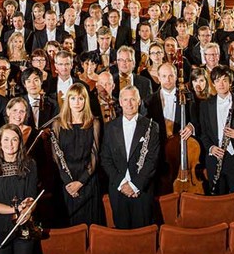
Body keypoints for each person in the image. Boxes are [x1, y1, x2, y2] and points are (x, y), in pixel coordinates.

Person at [101, 84, 160, 229]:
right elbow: (105, 158)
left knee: (143, 235)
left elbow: (152, 161)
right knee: (121, 237)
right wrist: (122, 184)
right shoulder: (110, 127)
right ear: (120, 102)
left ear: (139, 101)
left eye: (133, 99)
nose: (129, 104)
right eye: (125, 100)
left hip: (141, 190)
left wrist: (135, 185)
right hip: (118, 189)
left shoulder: (152, 126)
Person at [0, 124, 40, 254]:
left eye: (14, 140)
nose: (10, 144)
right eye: (6, 139)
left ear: (20, 142)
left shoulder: (30, 164)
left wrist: (28, 210)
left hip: (24, 225)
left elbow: (32, 198)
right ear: (0, 142)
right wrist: (15, 210)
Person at [50, 83, 103, 226]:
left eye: (81, 98)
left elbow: (95, 154)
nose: (77, 102)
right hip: (65, 182)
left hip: (88, 181)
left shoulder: (94, 123)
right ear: (68, 101)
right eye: (73, 98)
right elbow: (56, 157)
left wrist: (81, 182)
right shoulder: (57, 124)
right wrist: (68, 181)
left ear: (86, 100)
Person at [198, 66, 234, 195]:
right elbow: (203, 133)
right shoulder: (205, 105)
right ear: (213, 84)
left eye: (225, 80)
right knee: (217, 200)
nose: (221, 84)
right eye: (217, 81)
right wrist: (211, 148)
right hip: (215, 157)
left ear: (230, 82)